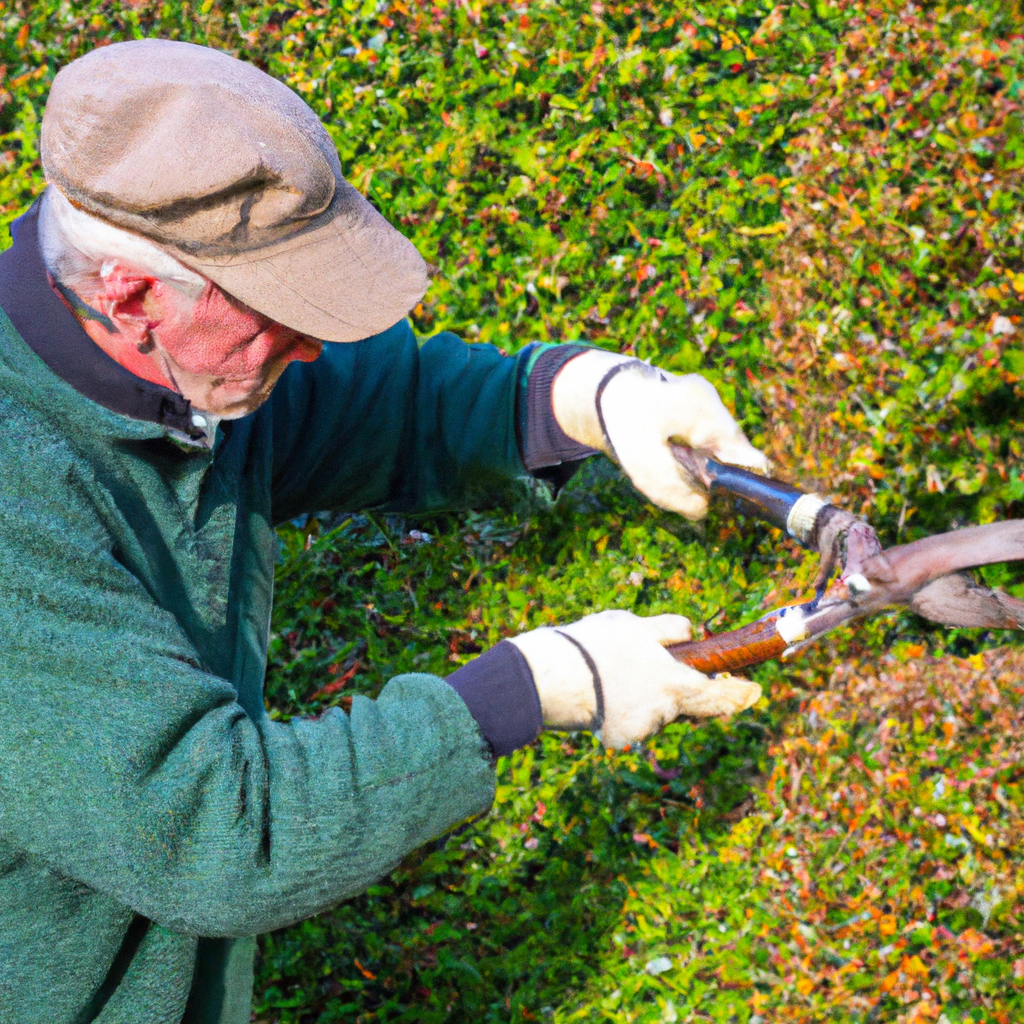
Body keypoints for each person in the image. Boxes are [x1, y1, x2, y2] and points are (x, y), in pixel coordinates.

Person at [0, 38, 767, 1024]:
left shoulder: (173, 369)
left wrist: (582, 396)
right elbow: (225, 835)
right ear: (132, 293)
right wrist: (533, 686)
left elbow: (392, 406)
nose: (312, 342)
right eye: (279, 308)